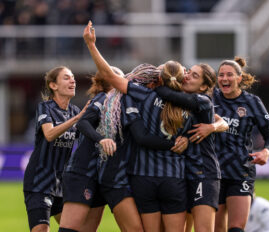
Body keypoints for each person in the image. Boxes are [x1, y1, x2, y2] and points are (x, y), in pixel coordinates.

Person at [83, 21, 192, 232]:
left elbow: (110, 76)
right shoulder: (193, 103)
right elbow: (211, 121)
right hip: (155, 176)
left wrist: (91, 45)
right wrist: (180, 141)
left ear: (157, 79)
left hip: (142, 177)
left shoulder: (144, 96)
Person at [155, 63, 229, 232]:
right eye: (188, 72)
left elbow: (163, 91)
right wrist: (216, 125)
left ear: (203, 86)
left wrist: (159, 79)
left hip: (202, 172)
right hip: (180, 174)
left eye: (195, 76)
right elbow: (221, 120)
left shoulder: (201, 101)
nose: (187, 76)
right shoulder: (180, 99)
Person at [213, 57, 269, 232]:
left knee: (236, 228)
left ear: (239, 78)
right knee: (217, 228)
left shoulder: (252, 102)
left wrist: (266, 152)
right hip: (214, 171)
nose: (224, 79)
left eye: (229, 75)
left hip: (241, 171)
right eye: (221, 75)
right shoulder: (211, 97)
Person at [23, 66, 89, 232]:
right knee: (41, 229)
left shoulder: (74, 110)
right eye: (66, 77)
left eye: (73, 77)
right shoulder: (45, 108)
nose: (72, 80)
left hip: (60, 183)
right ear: (53, 85)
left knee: (74, 228)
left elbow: (84, 139)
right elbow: (50, 134)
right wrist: (77, 119)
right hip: (39, 181)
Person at [59, 69, 124, 232]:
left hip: (99, 175)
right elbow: (82, 124)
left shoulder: (117, 103)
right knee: (69, 229)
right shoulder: (103, 97)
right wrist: (101, 139)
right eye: (121, 77)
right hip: (82, 172)